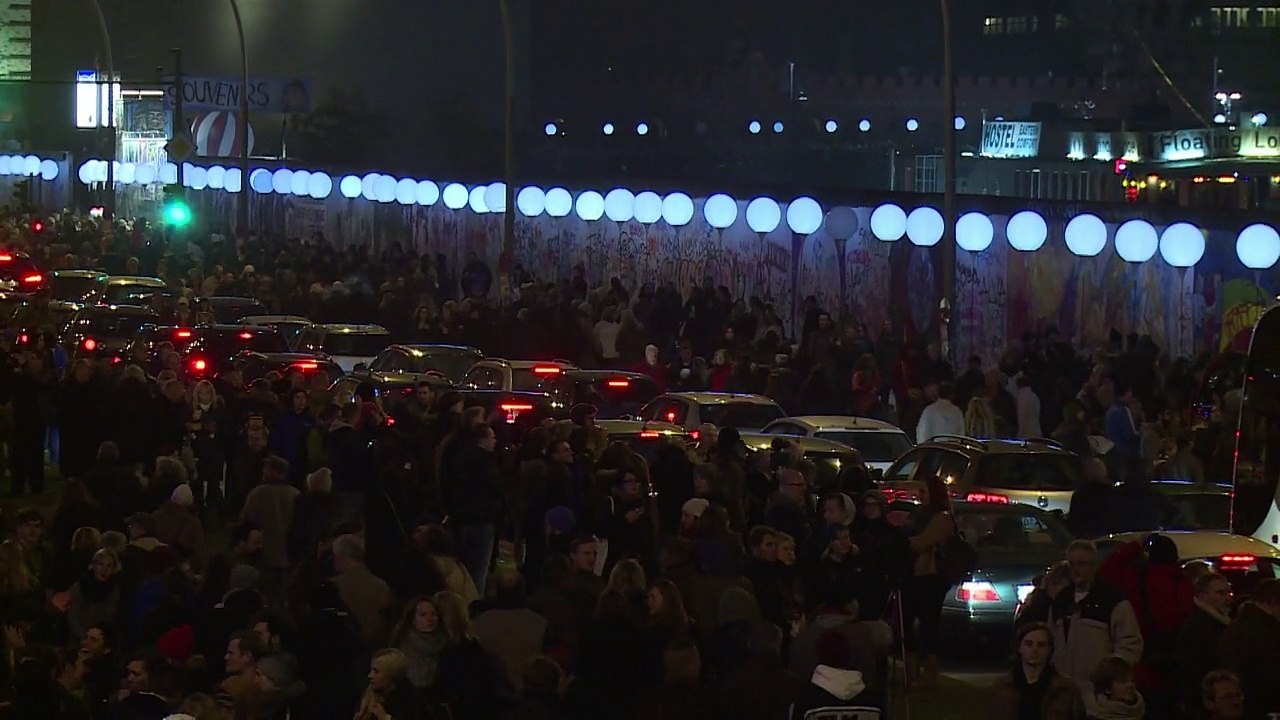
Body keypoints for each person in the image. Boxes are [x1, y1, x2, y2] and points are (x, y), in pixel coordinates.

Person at [1049, 540, 1144, 715]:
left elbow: (1130, 644)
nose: (1076, 569)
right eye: (1072, 564)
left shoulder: (1113, 600)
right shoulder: (1062, 601)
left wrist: (1109, 679)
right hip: (1065, 694)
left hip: (1098, 698)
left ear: (1094, 566)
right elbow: (1051, 639)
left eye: (1082, 564)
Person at [903, 474, 956, 688]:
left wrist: (903, 541)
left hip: (931, 577)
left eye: (923, 491)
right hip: (914, 575)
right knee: (907, 623)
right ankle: (912, 669)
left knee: (929, 625)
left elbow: (922, 542)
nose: (919, 496)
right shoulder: (918, 515)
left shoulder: (941, 517)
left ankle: (929, 673)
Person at [987, 621, 1083, 720]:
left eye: (1041, 645)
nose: (1034, 649)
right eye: (1029, 644)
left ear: (1049, 650)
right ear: (1019, 647)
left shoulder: (1065, 690)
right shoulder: (1003, 687)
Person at [1216, 577, 1280, 720]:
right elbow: (1268, 673)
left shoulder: (1243, 624)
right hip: (1259, 704)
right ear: (1273, 602)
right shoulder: (1263, 631)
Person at [1178, 573, 1233, 713]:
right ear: (1203, 596)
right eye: (1220, 593)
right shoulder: (1199, 627)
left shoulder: (1220, 623)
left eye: (1228, 592)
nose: (1227, 598)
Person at [354, 649, 423, 720]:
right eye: (371, 670)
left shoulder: (411, 703)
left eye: (376, 671)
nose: (370, 675)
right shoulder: (367, 697)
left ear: (390, 675)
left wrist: (384, 718)